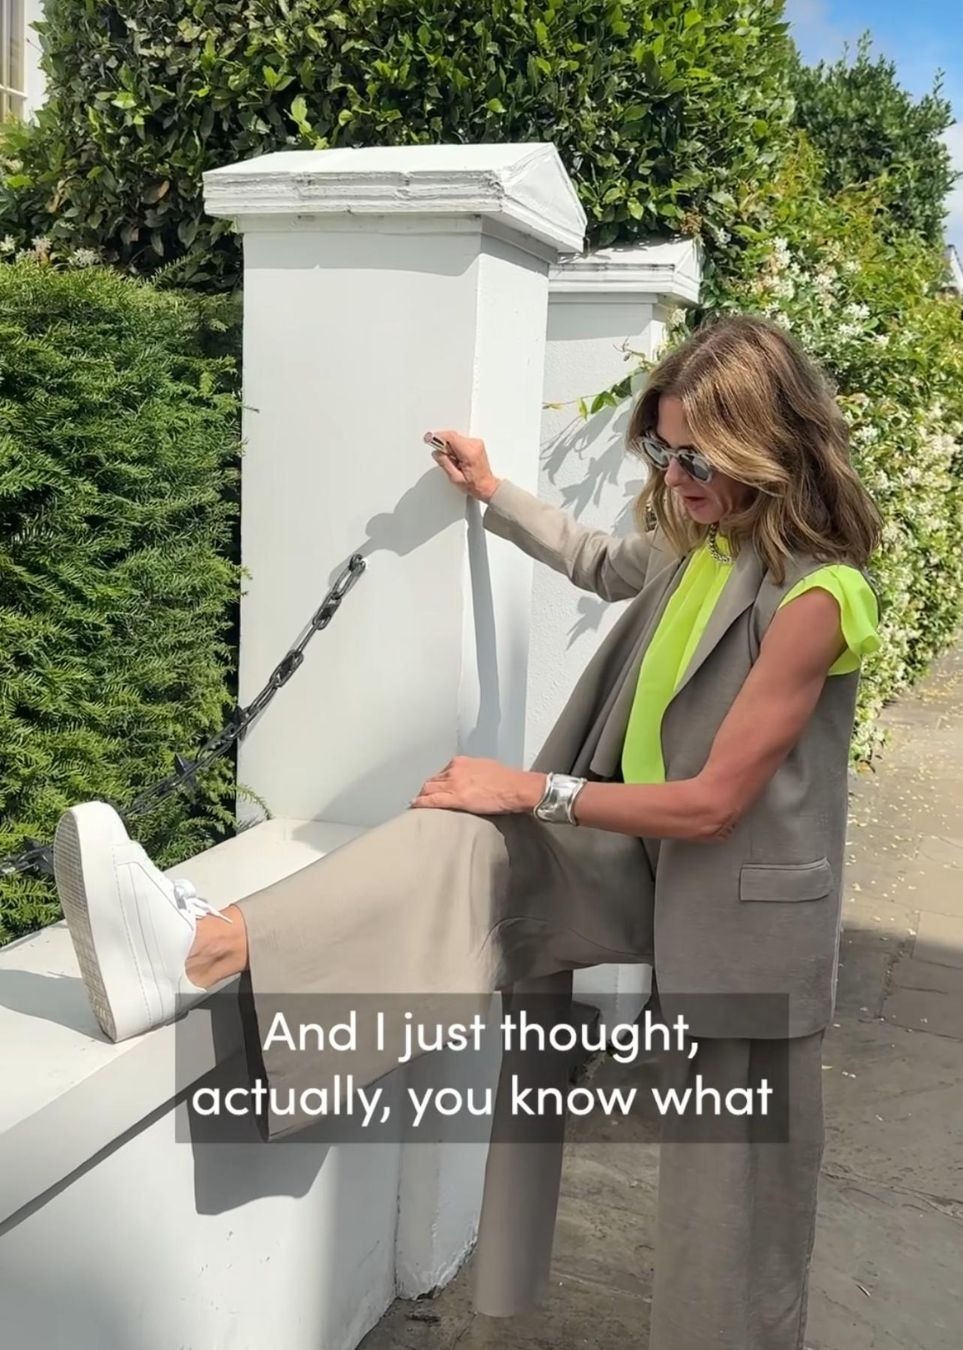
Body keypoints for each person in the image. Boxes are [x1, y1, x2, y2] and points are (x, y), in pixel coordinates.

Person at [51, 314, 881, 1350]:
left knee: (731, 1225)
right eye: (662, 453)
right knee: (458, 833)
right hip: (634, 862)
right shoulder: (695, 540)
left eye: (698, 459)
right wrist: (491, 491)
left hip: (740, 905)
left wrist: (532, 789)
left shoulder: (817, 596)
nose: (675, 479)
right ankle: (202, 947)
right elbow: (596, 558)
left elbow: (713, 804)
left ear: (767, 446)